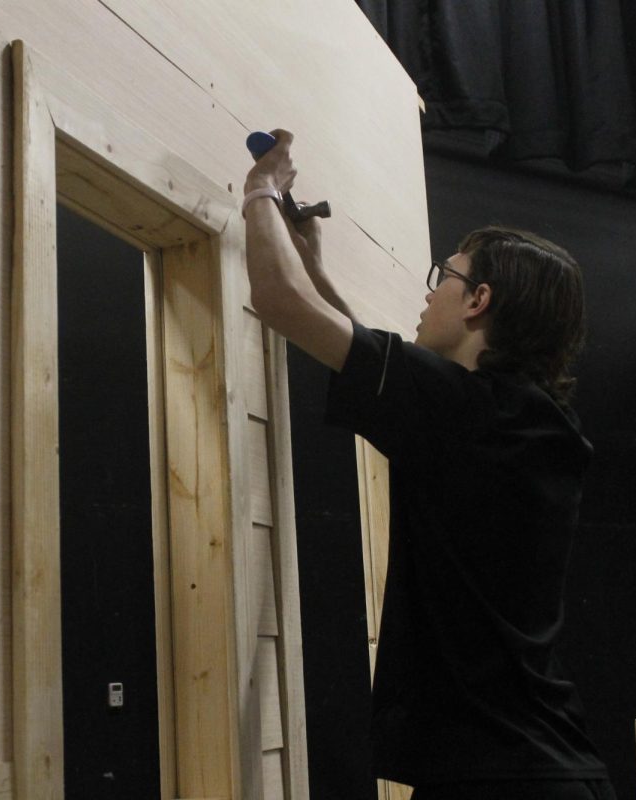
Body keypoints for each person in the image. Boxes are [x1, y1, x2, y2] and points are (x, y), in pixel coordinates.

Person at [243, 129, 615, 800]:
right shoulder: (520, 423)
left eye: (442, 277)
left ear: (479, 301)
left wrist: (260, 190)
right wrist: (315, 265)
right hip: (541, 771)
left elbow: (277, 301)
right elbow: (377, 370)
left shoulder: (468, 411)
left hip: (498, 781)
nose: (428, 294)